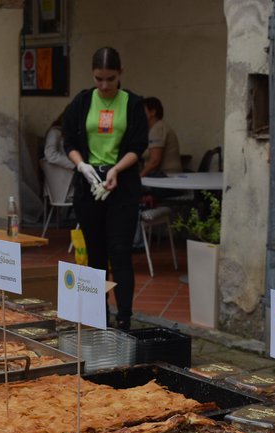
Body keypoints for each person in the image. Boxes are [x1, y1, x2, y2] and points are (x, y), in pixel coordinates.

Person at [62, 47, 148, 330]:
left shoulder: (132, 104)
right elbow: (69, 141)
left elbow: (138, 146)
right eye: (99, 79)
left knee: (120, 251)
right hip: (90, 185)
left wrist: (116, 169)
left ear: (121, 73)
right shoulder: (83, 101)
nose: (104, 85)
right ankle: (99, 314)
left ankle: (124, 317)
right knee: (95, 252)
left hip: (120, 184)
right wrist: (82, 166)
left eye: (110, 79)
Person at [140, 96, 181, 177]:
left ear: (152, 112)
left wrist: (140, 177)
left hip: (166, 179)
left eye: (142, 111)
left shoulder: (157, 128)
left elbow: (154, 161)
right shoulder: (155, 128)